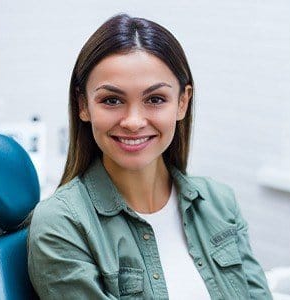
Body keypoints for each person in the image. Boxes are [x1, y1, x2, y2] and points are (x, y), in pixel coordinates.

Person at [27, 13, 273, 299]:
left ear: (182, 102)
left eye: (155, 99)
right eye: (112, 100)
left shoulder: (220, 202)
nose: (133, 121)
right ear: (84, 105)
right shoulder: (61, 224)